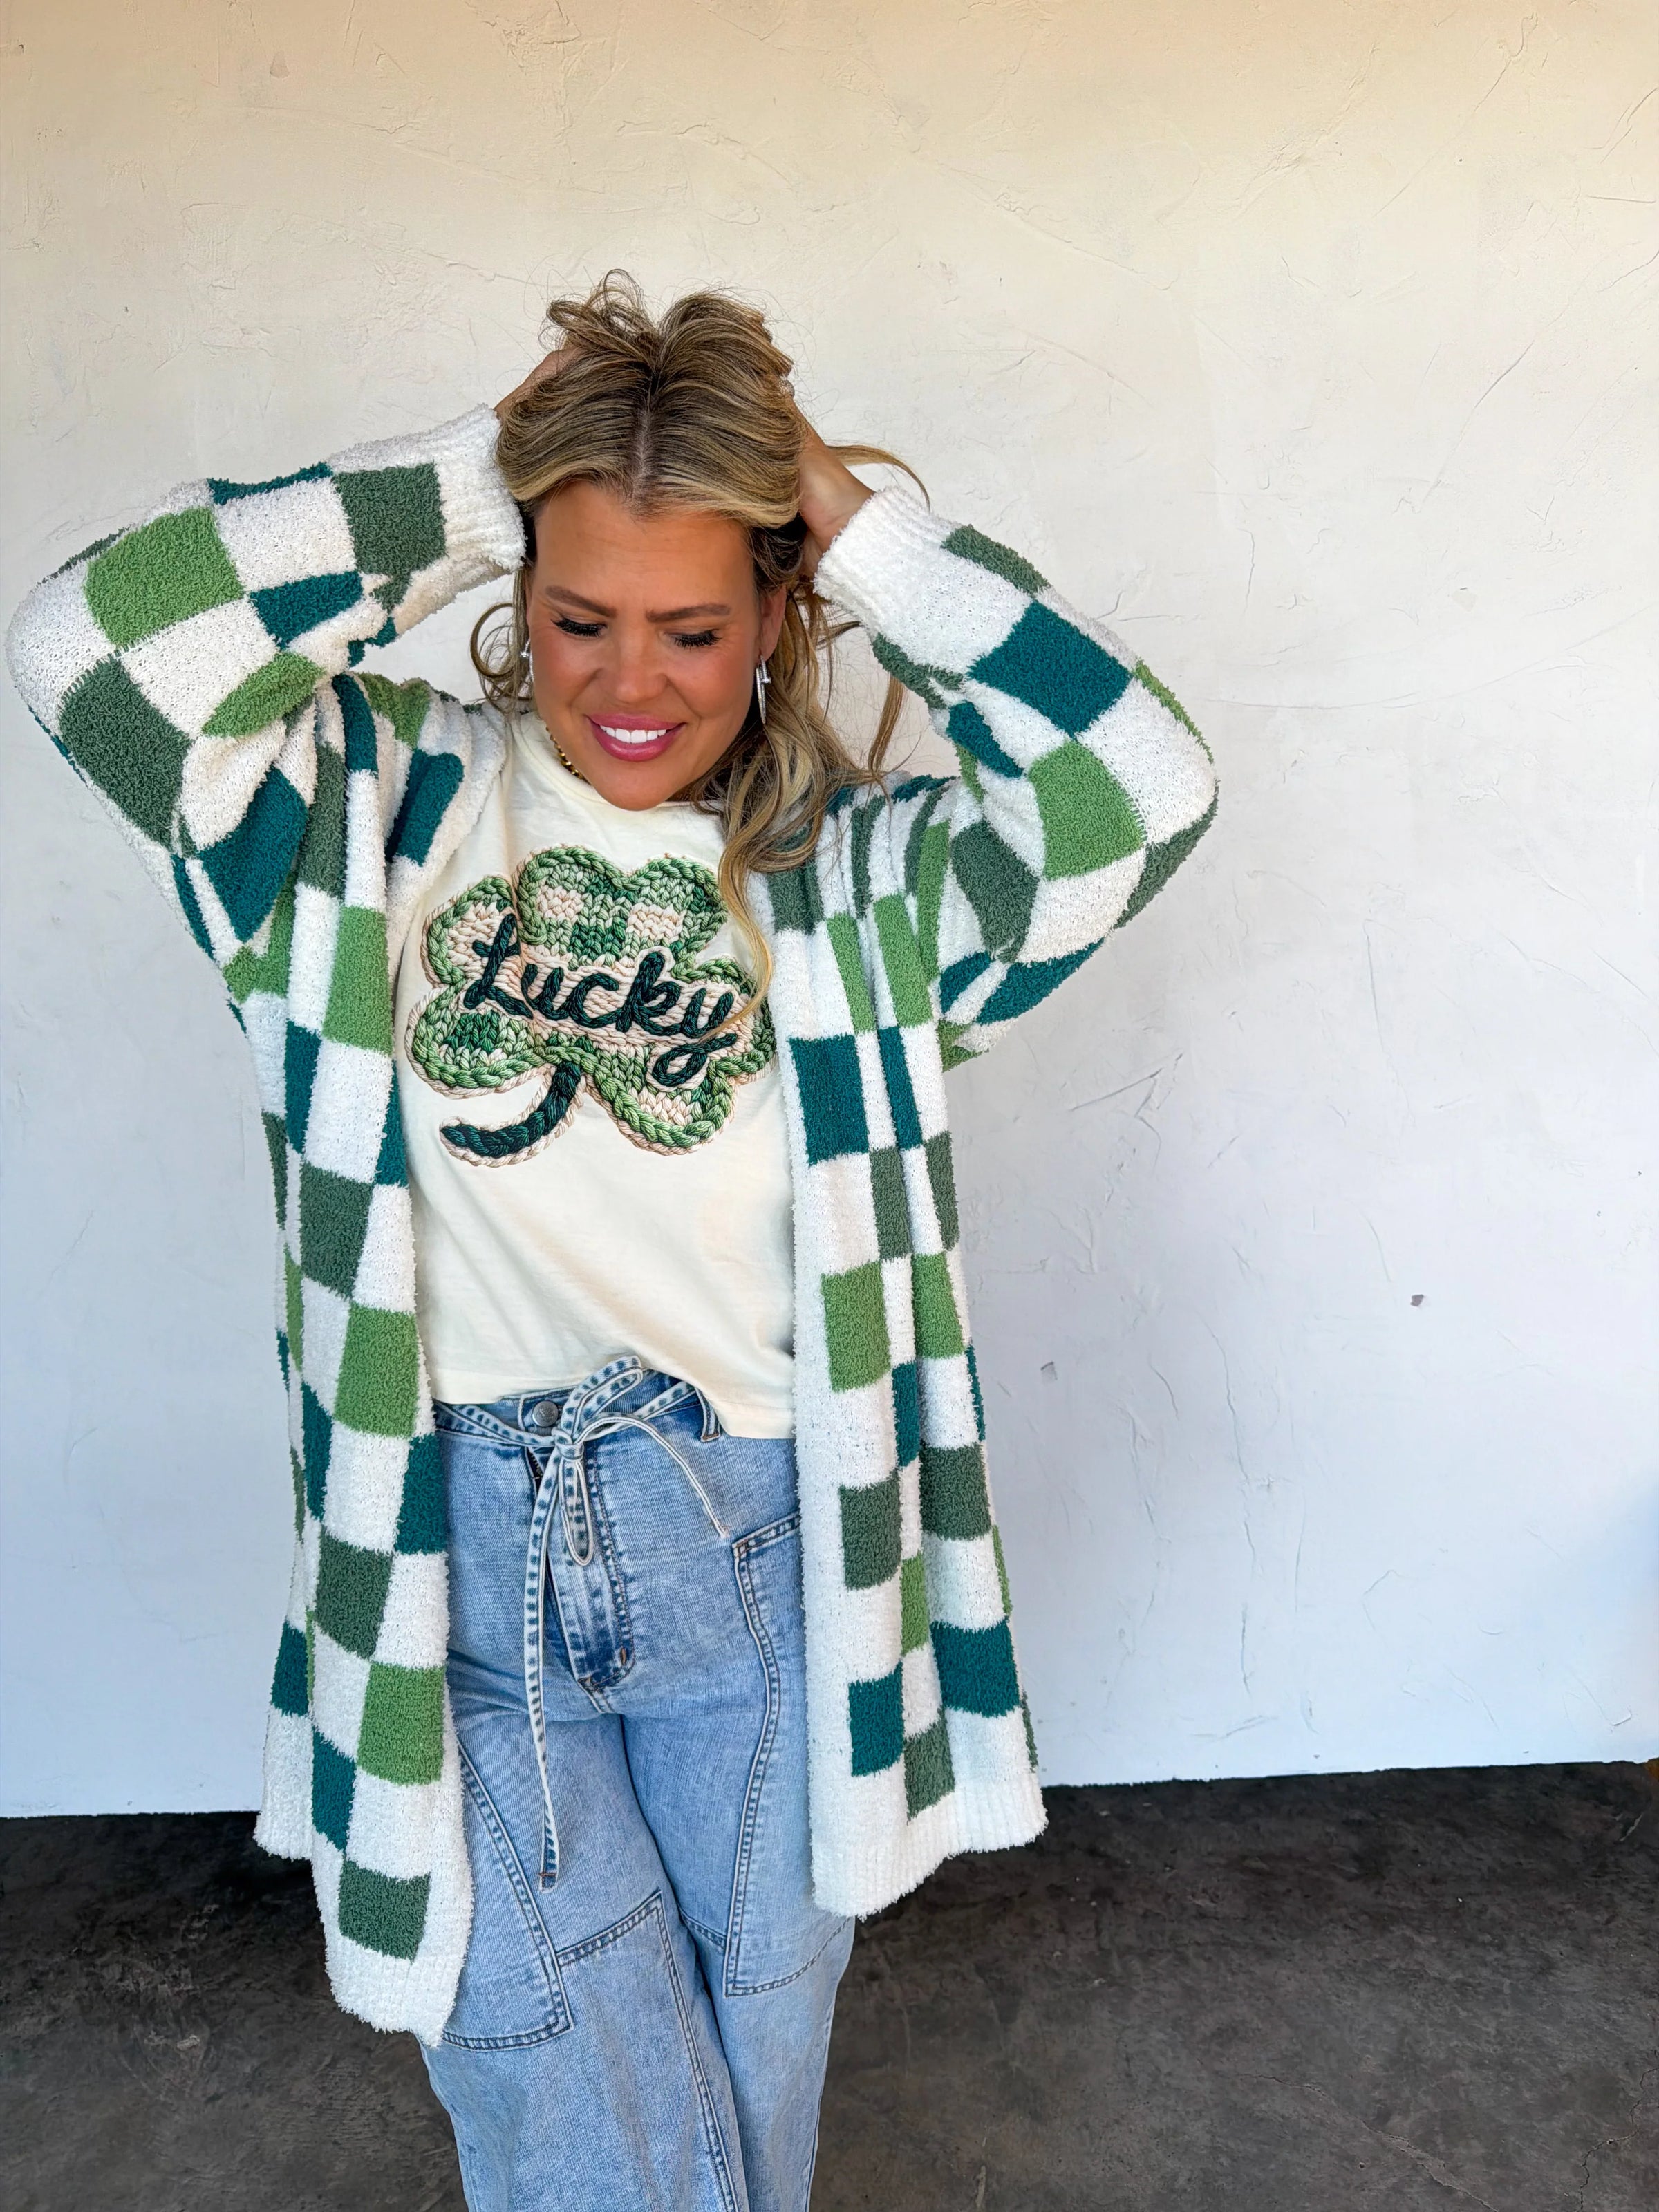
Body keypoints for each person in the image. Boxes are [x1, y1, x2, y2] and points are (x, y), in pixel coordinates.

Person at [6, 273, 1217, 2211]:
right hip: (452, 1558)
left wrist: (856, 525)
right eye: (578, 617)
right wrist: (480, 477)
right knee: (554, 2073)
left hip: (765, 1550)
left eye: (694, 627)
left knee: (748, 2056)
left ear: (776, 614)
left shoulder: (861, 893)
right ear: (518, 594)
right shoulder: (364, 818)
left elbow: (1136, 791)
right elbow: (95, 646)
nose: (628, 681)